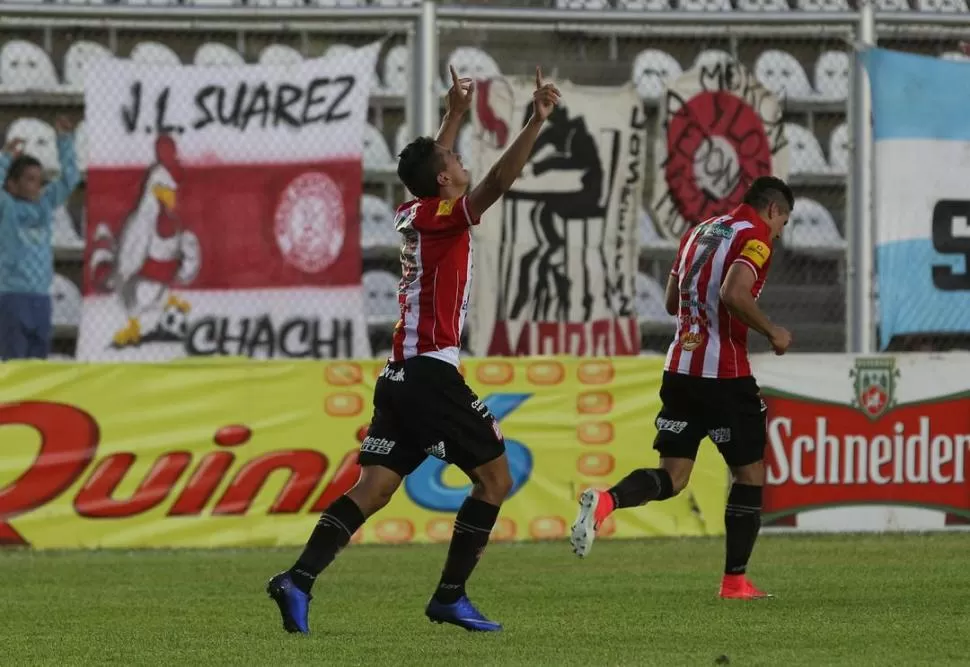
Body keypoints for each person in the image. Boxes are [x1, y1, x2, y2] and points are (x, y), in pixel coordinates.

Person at [267, 66, 562, 634]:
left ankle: (298, 580)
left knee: (374, 487)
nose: (459, 161)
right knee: (495, 480)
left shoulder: (417, 211)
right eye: (453, 161)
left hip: (399, 374)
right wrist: (535, 121)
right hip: (430, 373)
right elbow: (498, 182)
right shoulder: (446, 216)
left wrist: (453, 114)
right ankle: (450, 596)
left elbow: (433, 167)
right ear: (446, 179)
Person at [570, 176, 794, 600]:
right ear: (774, 210)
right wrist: (772, 331)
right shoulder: (757, 237)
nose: (779, 232)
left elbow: (672, 302)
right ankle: (734, 583)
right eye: (783, 222)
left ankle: (606, 502)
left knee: (673, 477)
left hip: (679, 370)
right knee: (749, 474)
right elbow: (733, 293)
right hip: (724, 375)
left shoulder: (699, 231)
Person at [0, 116, 80, 360]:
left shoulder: (44, 204)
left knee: (38, 363)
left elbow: (69, 180)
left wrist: (65, 142)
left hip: (41, 299)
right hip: (11, 297)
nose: (37, 186)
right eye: (29, 180)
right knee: (14, 363)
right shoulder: (7, 208)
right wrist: (4, 159)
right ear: (12, 185)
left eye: (40, 180)